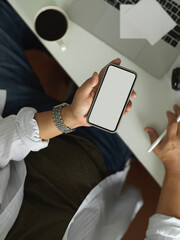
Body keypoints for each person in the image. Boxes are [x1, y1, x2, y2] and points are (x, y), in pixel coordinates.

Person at [0, 1, 180, 240]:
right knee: (140, 59)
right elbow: (165, 235)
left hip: (21, 126)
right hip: (96, 153)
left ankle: (63, 50)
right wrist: (175, 169)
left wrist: (69, 117)